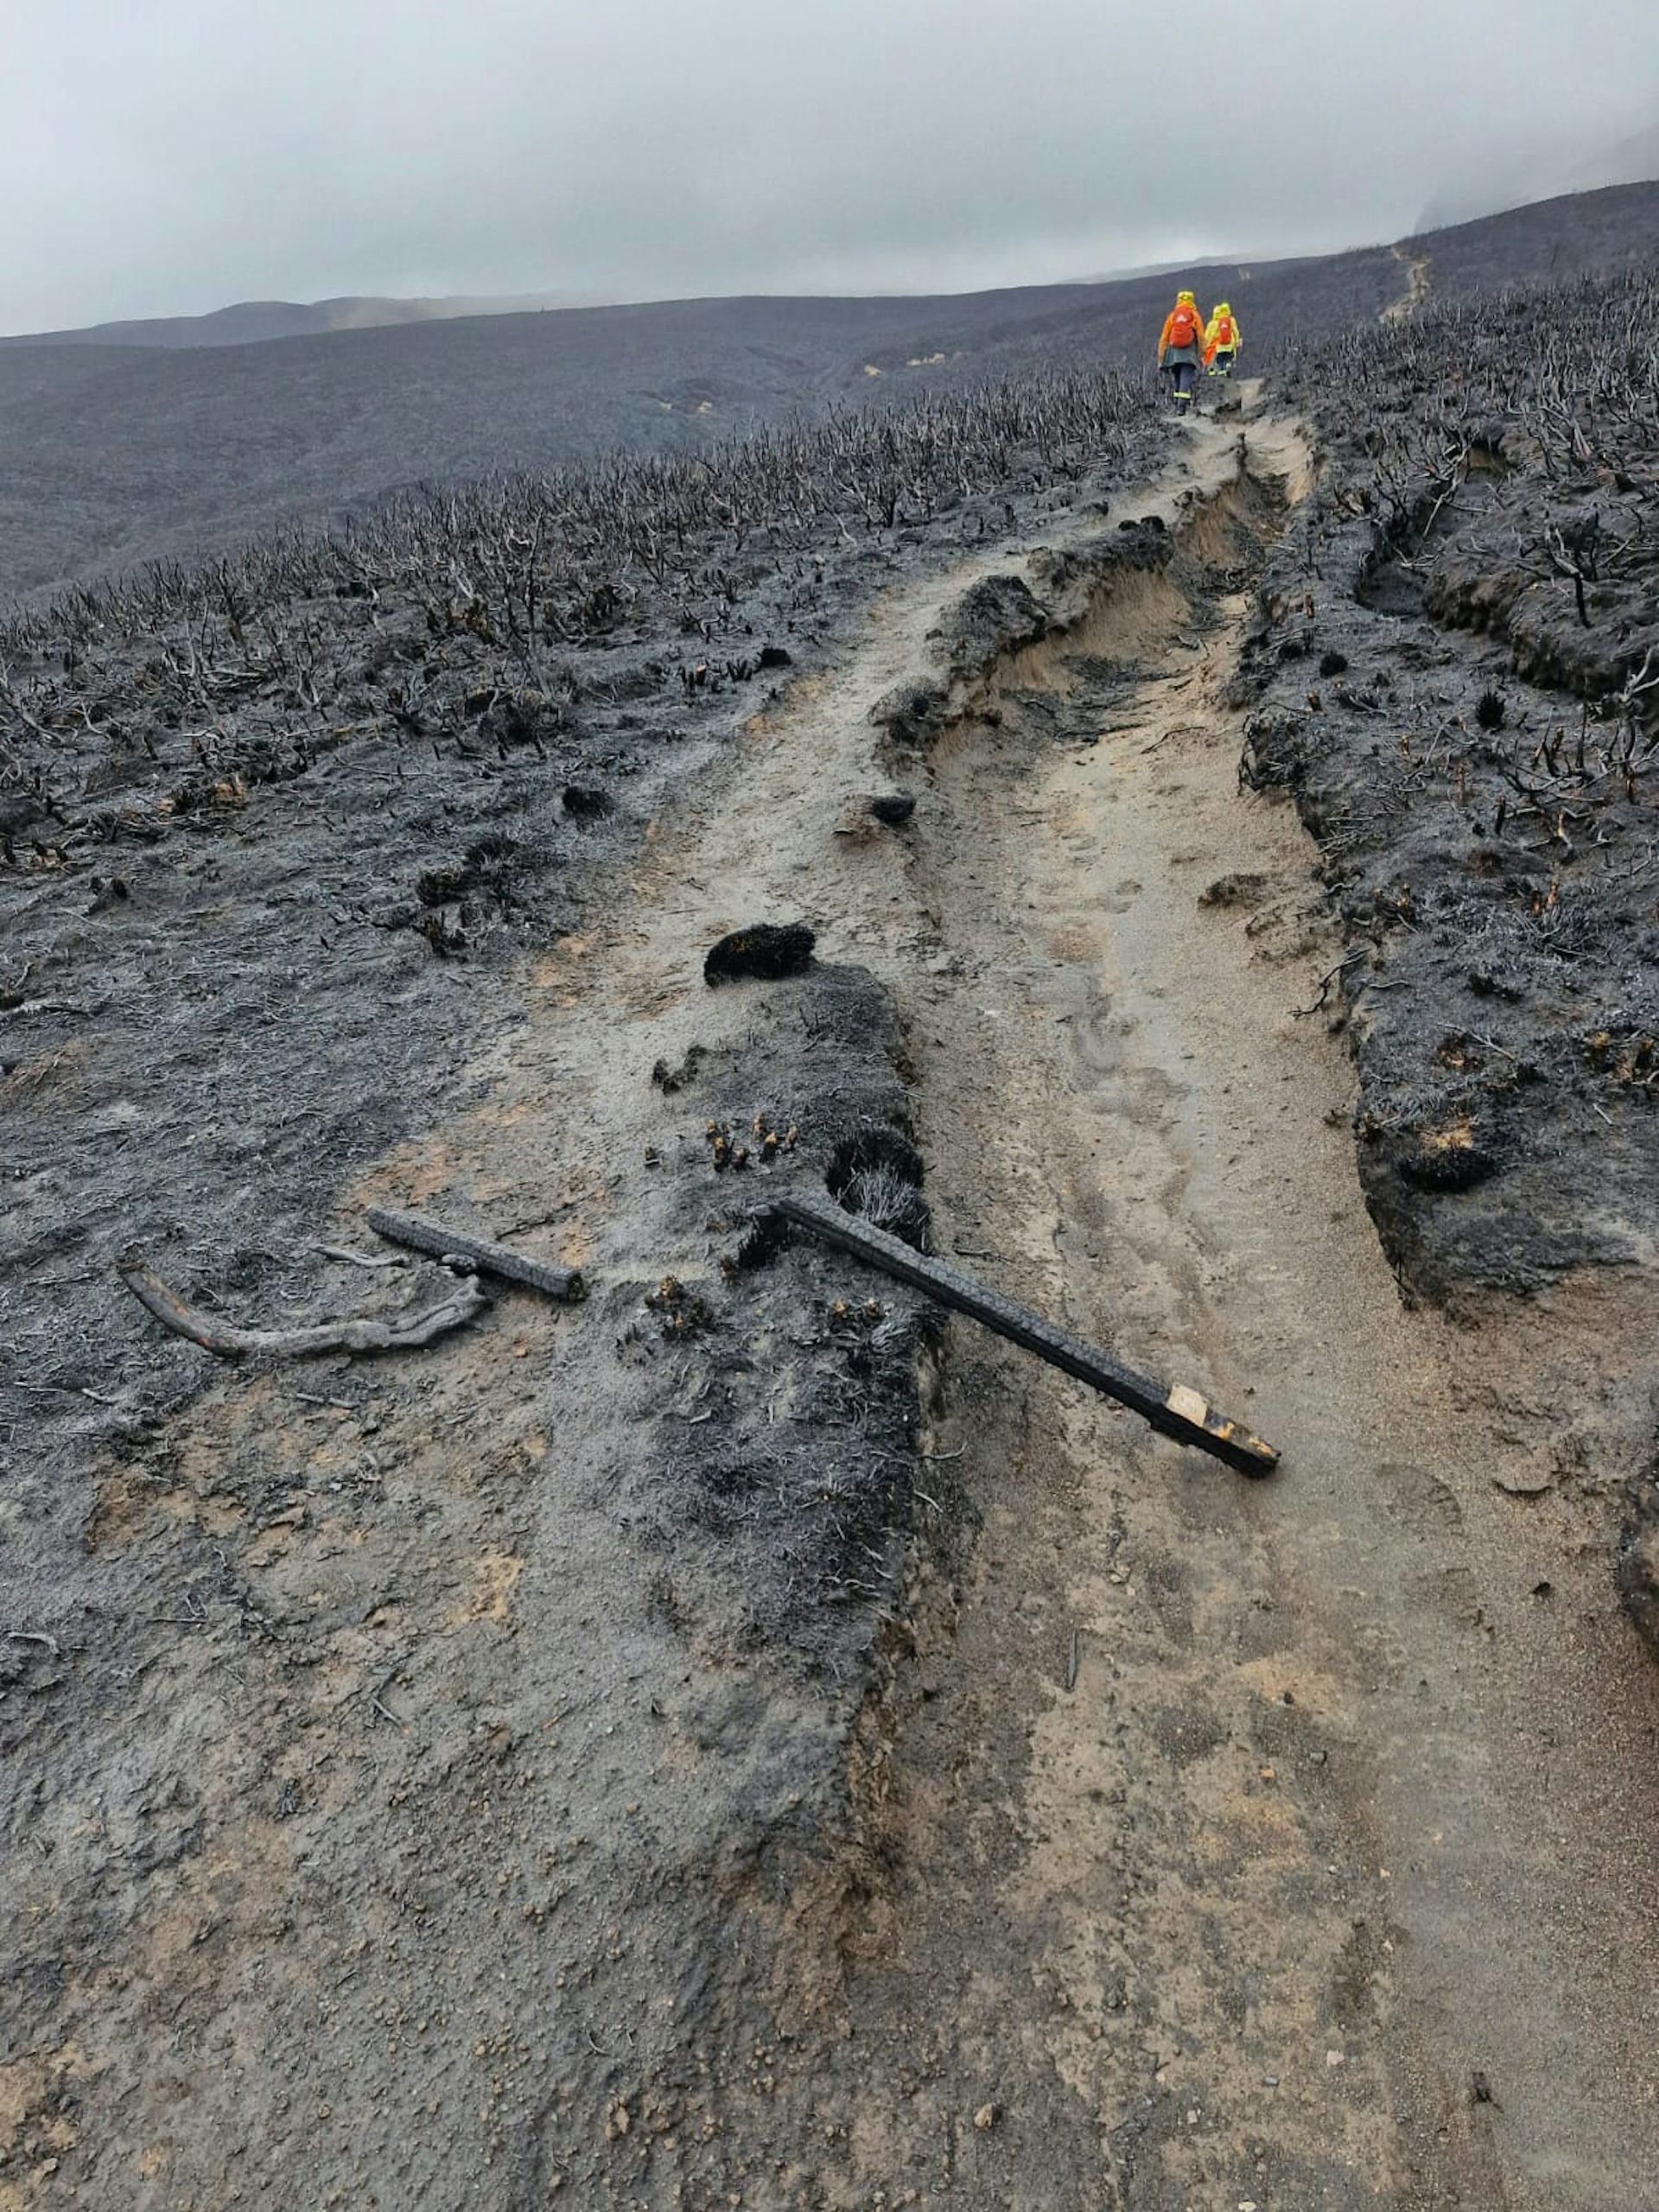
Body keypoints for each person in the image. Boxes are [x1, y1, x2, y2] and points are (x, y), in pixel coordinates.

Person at [1157, 290, 1205, 415]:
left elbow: (1164, 337)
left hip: (1174, 354)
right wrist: (1202, 353)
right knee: (1186, 377)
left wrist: (1161, 357)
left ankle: (1177, 404)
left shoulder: (1172, 316)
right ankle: (1181, 407)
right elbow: (1200, 336)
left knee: (1177, 378)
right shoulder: (1194, 316)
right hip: (1189, 354)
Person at [1204, 302, 1242, 379]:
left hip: (1220, 346)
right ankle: (1227, 366)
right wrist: (1237, 341)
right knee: (1228, 357)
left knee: (1220, 359)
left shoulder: (1217, 322)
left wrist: (1207, 344)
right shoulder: (1231, 320)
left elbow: (1210, 335)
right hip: (1229, 345)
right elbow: (1235, 331)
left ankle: (1219, 370)